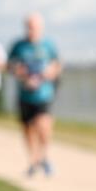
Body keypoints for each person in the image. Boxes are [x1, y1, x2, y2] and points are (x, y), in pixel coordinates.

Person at [8, 12, 61, 177]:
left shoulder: (48, 45)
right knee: (28, 129)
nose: (32, 30)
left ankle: (44, 156)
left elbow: (57, 64)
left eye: (35, 27)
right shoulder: (18, 46)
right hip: (25, 94)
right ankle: (33, 160)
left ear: (41, 27)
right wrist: (20, 72)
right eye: (30, 26)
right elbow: (9, 65)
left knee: (44, 126)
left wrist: (51, 72)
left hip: (44, 94)